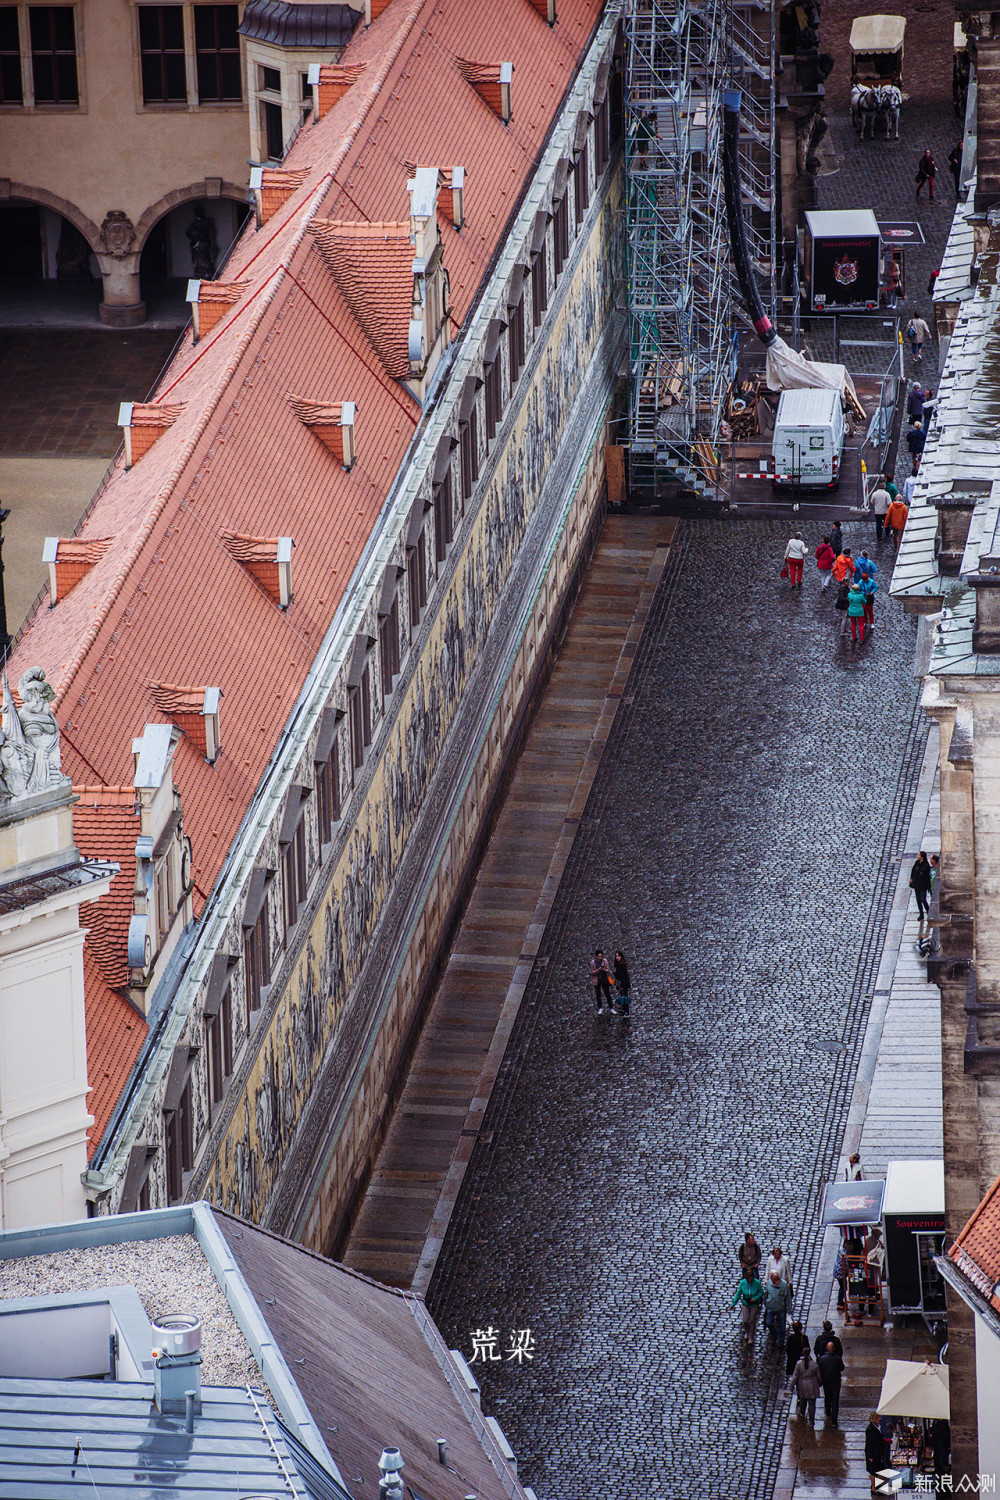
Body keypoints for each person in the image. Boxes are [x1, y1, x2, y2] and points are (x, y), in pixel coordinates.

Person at [790, 1345, 821, 1426]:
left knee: (803, 1399)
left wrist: (791, 1386)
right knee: (812, 1404)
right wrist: (820, 1384)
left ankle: (802, 1411)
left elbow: (795, 1376)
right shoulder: (814, 1364)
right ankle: (811, 1420)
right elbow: (819, 1376)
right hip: (812, 1384)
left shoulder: (799, 1364)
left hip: (802, 1384)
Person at [731, 1269, 764, 1344]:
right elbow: (738, 1293)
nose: (750, 1280)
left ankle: (751, 1336)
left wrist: (755, 1298)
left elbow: (761, 1293)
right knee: (745, 1320)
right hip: (745, 1303)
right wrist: (733, 1304)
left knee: (752, 1320)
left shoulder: (757, 1283)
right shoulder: (743, 1283)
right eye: (748, 1278)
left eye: (751, 1278)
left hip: (754, 1304)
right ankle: (747, 1332)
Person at [763, 1271, 792, 1352]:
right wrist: (766, 1304)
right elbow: (766, 1294)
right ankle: (774, 1334)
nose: (770, 1278)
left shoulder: (784, 1285)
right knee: (769, 1322)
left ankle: (780, 1341)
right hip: (770, 1308)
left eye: (771, 1277)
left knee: (782, 1325)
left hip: (780, 1309)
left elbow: (788, 1298)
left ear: (776, 1278)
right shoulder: (769, 1284)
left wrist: (789, 1309)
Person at [818, 1341, 845, 1427]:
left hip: (826, 1381)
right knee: (835, 1400)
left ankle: (828, 1412)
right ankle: (834, 1420)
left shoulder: (822, 1359)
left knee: (827, 1396)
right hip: (836, 1382)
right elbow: (842, 1368)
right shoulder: (837, 1359)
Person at [866, 1410, 890, 1494]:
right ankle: (873, 1488)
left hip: (877, 1454)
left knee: (877, 1470)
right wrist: (870, 1457)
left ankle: (876, 1485)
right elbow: (869, 1444)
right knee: (873, 1472)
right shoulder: (871, 1430)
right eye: (878, 1418)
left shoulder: (875, 1427)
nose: (880, 1419)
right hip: (873, 1455)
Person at [910, 850, 933, 918]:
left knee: (923, 899)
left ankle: (928, 911)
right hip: (916, 884)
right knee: (918, 900)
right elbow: (913, 870)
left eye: (919, 855)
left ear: (922, 857)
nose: (918, 856)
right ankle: (921, 914)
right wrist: (911, 878)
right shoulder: (917, 862)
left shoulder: (926, 865)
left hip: (923, 885)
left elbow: (927, 876)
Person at [589, 949, 613, 1014]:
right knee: (598, 994)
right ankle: (600, 1007)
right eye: (599, 956)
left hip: (604, 979)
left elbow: (608, 970)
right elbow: (592, 972)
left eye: (601, 956)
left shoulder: (605, 961)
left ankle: (611, 1007)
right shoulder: (593, 963)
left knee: (607, 993)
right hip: (597, 980)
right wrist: (598, 970)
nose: (600, 958)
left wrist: (604, 969)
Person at [847, 578, 866, 643]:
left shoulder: (849, 594)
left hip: (851, 611)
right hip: (859, 611)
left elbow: (848, 600)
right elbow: (864, 602)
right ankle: (862, 638)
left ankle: (854, 637)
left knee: (853, 624)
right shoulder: (860, 595)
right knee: (861, 625)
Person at [613, 949, 631, 1015]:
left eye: (618, 956)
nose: (617, 957)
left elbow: (623, 977)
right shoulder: (618, 964)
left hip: (623, 984)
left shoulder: (622, 965)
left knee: (624, 998)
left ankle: (626, 1011)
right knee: (623, 997)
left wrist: (621, 986)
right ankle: (624, 1010)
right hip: (621, 984)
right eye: (616, 956)